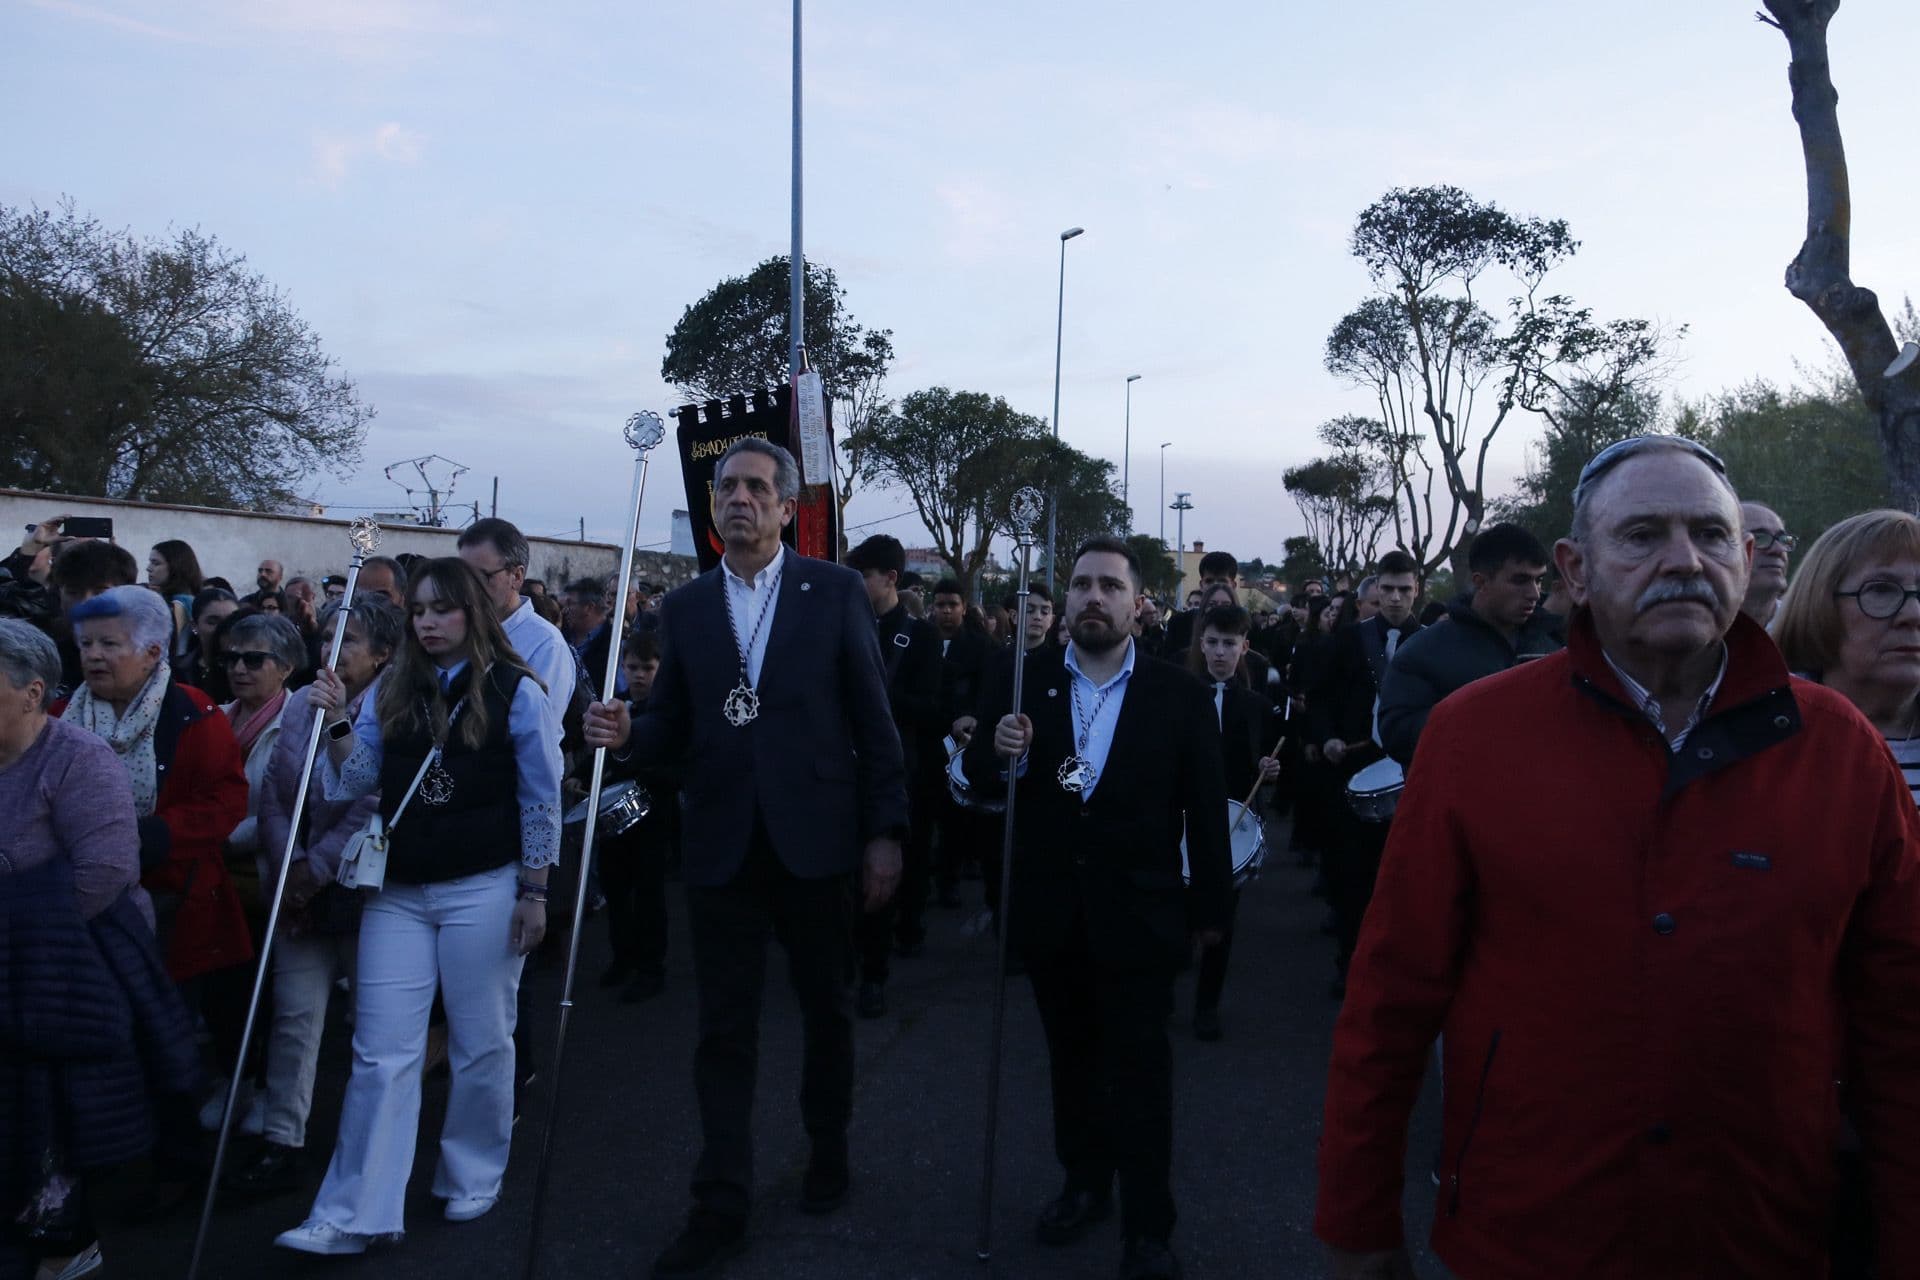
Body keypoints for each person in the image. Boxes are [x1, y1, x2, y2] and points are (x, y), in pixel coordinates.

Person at [1316, 436, 1920, 1279]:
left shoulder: (1840, 748)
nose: (1683, 560)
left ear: (1745, 561)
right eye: (1642, 535)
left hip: (1761, 1234)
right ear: (1577, 569)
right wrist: (1359, 1222)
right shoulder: (1474, 737)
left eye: (1710, 535)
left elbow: (1899, 1022)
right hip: (1529, 1231)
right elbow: (1391, 998)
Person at [581, 437, 907, 1279]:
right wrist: (627, 734)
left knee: (825, 1009)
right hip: (723, 844)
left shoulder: (833, 593)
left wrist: (885, 834)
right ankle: (719, 1199)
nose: (739, 499)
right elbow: (674, 728)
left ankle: (827, 1146)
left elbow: (875, 725)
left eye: (757, 487)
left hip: (818, 842)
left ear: (786, 506)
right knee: (723, 1031)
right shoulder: (686, 608)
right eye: (726, 486)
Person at [275, 558, 562, 1255]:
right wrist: (339, 720)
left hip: (483, 885)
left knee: (481, 1040)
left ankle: (472, 1171)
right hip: (398, 891)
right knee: (380, 1051)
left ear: (474, 612)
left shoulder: (516, 689)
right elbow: (360, 779)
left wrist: (534, 890)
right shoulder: (394, 687)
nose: (428, 622)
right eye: (420, 611)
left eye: (443, 609)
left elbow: (541, 797)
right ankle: (353, 1209)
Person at [962, 535, 1230, 1280]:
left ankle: (1149, 1225)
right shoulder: (1024, 679)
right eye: (1080, 585)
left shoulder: (1176, 694)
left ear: (1138, 605)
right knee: (1072, 1065)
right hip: (1053, 913)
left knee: (1141, 1074)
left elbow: (1205, 812)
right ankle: (1084, 1185)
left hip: (1141, 917)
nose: (1091, 598)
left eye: (1110, 586)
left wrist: (1211, 911)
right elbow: (979, 776)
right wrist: (998, 751)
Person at [0, 618, 200, 1280]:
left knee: (51, 1123)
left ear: (31, 694)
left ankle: (65, 1245)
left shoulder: (79, 759)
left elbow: (105, 873)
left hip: (70, 970)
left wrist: (14, 929)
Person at [1772, 507, 1920, 1277]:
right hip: (1806, 1122)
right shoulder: (1761, 748)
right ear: (1819, 606)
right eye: (1885, 592)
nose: (1914, 613)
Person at [223, 596, 401, 1199]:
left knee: (370, 1025)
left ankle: (367, 1140)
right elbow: (276, 791)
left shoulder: (396, 706)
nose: (333, 652)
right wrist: (290, 867)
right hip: (296, 883)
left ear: (381, 654)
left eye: (348, 641)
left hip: (360, 890)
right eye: (327, 637)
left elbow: (374, 798)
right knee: (295, 1017)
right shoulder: (301, 703)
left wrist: (318, 867)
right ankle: (282, 1140)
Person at [56, 587, 252, 1118]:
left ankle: (170, 1156)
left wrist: (154, 836)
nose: (93, 655)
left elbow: (227, 797)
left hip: (174, 899)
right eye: (86, 644)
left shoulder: (193, 711)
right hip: (78, 907)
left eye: (109, 644)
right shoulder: (59, 715)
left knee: (163, 1037)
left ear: (152, 652)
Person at [1309, 551, 1423, 994]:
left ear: (1417, 590)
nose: (1395, 599)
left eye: (1404, 590)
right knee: (1351, 875)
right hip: (1354, 770)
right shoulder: (1349, 641)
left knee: (1403, 879)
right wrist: (1327, 737)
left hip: (1412, 776)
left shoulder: (1432, 642)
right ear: (1376, 590)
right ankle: (1349, 964)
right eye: (1388, 590)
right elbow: (1318, 698)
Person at [845, 535, 942, 1018]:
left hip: (899, 770)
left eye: (863, 577)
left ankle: (876, 974)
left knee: (886, 874)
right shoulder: (840, 627)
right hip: (844, 769)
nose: (855, 586)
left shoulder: (920, 638)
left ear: (890, 579)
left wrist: (879, 700)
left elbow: (934, 708)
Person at [1376, 523, 1560, 768]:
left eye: (1538, 580)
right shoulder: (1423, 652)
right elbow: (1397, 735)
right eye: (1520, 580)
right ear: (1481, 582)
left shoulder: (1552, 644)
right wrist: (1484, 712)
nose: (1534, 593)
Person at [1184, 604, 1278, 1042]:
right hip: (1182, 815)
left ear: (1245, 648)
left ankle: (1207, 1004)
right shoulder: (1177, 693)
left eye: (1230, 644)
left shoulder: (1256, 704)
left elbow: (1265, 761)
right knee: (1177, 907)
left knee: (1223, 917)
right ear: (1201, 644)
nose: (1220, 653)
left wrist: (1270, 767)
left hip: (1233, 820)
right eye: (1213, 643)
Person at [596, 627, 678, 1004]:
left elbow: (678, 767)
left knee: (649, 895)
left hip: (655, 817)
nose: (639, 674)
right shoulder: (618, 705)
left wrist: (638, 774)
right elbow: (596, 756)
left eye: (647, 667)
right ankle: (621, 957)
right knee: (615, 890)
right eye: (632, 667)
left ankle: (651, 967)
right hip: (616, 822)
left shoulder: (670, 712)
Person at [457, 517, 578, 735]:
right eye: (462, 576)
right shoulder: (456, 629)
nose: (468, 587)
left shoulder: (546, 645)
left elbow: (537, 732)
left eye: (481, 577)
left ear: (517, 576)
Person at [930, 577, 994, 907]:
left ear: (964, 608)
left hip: (960, 743)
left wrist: (972, 718)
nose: (946, 612)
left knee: (955, 818)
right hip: (927, 739)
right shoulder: (921, 641)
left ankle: (949, 879)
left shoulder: (979, 647)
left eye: (952, 605)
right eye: (940, 605)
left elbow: (987, 692)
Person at [1164, 549, 1241, 653]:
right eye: (1209, 581)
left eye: (1222, 581)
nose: (1215, 586)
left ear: (1233, 585)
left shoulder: (1245, 625)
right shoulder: (1179, 624)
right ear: (1201, 585)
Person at [146, 539, 205, 659]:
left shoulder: (181, 603)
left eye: (156, 563)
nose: (149, 568)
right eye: (150, 562)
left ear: (175, 566)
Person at [1740, 500, 1795, 627]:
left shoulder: (1808, 630)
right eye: (1759, 538)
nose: (1778, 549)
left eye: (1783, 540)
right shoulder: (1696, 626)